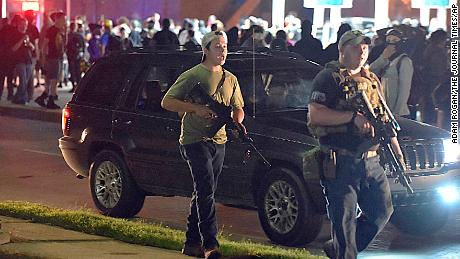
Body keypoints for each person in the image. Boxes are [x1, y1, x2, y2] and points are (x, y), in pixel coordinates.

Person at [308, 30, 403, 259]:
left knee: (382, 211)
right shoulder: (327, 78)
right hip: (341, 161)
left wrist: (397, 151)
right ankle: (344, 252)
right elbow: (315, 116)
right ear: (342, 50)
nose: (362, 51)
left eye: (365, 47)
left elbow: (383, 118)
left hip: (372, 161)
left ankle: (339, 249)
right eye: (356, 47)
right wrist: (351, 118)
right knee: (344, 221)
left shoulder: (371, 79)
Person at [161, 31, 245, 259]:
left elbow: (238, 107)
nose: (222, 51)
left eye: (225, 46)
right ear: (206, 49)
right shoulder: (193, 75)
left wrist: (237, 121)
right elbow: (167, 101)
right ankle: (211, 245)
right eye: (217, 46)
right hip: (194, 140)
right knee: (206, 189)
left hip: (219, 141)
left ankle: (191, 243)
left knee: (203, 192)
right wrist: (195, 108)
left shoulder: (231, 79)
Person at [370, 28, 414, 117]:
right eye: (388, 40)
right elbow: (371, 71)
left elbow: (404, 90)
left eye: (394, 40)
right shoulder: (386, 61)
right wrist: (383, 57)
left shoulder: (404, 61)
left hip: (398, 114)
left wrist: (397, 113)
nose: (391, 43)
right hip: (385, 111)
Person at [34, 11, 66, 109]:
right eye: (63, 19)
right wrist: (43, 57)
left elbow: (63, 44)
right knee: (53, 79)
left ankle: (43, 97)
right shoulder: (52, 30)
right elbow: (45, 44)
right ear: (57, 19)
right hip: (52, 57)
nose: (64, 21)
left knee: (50, 79)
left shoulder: (61, 30)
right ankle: (50, 100)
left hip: (57, 57)